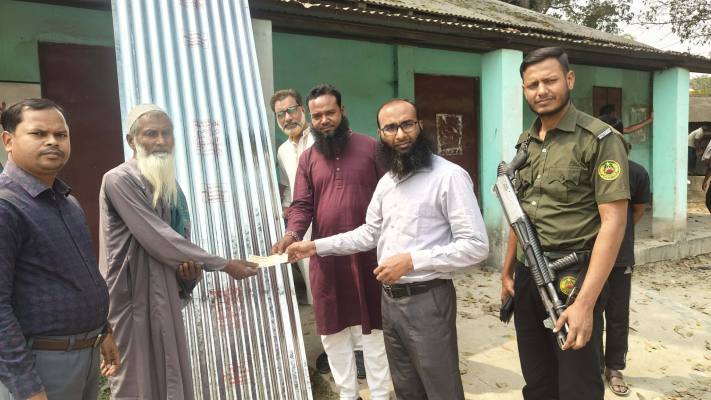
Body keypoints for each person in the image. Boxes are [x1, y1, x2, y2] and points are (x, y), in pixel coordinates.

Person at [287, 98, 489, 399]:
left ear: (420, 126)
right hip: (390, 302)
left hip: (428, 299)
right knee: (406, 387)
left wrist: (412, 261)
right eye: (391, 128)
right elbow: (369, 233)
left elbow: (476, 245)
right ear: (381, 134)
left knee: (440, 388)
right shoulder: (389, 181)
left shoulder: (448, 176)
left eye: (407, 124)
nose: (400, 134)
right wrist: (316, 246)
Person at [99, 104, 259, 400]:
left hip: (163, 292)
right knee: (135, 378)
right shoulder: (119, 179)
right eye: (151, 134)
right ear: (131, 141)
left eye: (167, 134)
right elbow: (159, 238)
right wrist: (223, 264)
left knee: (170, 369)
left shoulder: (169, 185)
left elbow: (180, 237)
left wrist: (189, 274)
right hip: (130, 297)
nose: (161, 141)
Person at [500, 47, 630, 400]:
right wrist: (507, 271)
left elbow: (614, 223)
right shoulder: (526, 143)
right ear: (524, 90)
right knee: (537, 382)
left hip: (573, 277)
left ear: (569, 80)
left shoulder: (600, 140)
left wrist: (585, 303)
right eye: (532, 85)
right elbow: (517, 212)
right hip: (528, 275)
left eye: (550, 81)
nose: (541, 91)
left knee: (577, 386)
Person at [271, 84, 390, 400]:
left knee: (374, 331)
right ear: (311, 118)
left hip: (369, 254)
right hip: (325, 257)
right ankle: (348, 394)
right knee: (332, 331)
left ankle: (380, 394)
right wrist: (292, 234)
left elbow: (392, 197)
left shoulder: (371, 147)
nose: (324, 120)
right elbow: (301, 205)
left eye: (330, 113)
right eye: (318, 115)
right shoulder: (307, 159)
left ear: (343, 112)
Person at [0, 99, 120, 400]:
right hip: (40, 364)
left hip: (86, 354)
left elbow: (78, 275)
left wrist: (102, 330)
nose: (53, 141)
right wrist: (26, 386)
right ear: (8, 141)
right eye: (38, 134)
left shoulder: (67, 202)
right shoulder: (6, 206)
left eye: (61, 135)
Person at [596, 115, 650, 396]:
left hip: (620, 257)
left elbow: (638, 210)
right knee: (589, 312)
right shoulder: (588, 169)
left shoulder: (636, 172)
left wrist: (617, 233)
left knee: (617, 314)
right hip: (586, 255)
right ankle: (593, 365)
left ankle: (614, 367)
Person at [271, 89, 315, 304]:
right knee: (312, 281)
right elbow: (288, 185)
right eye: (280, 114)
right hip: (302, 224)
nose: (287, 118)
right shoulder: (283, 151)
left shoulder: (319, 139)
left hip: (328, 219)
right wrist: (286, 206)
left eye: (291, 110)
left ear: (302, 110)